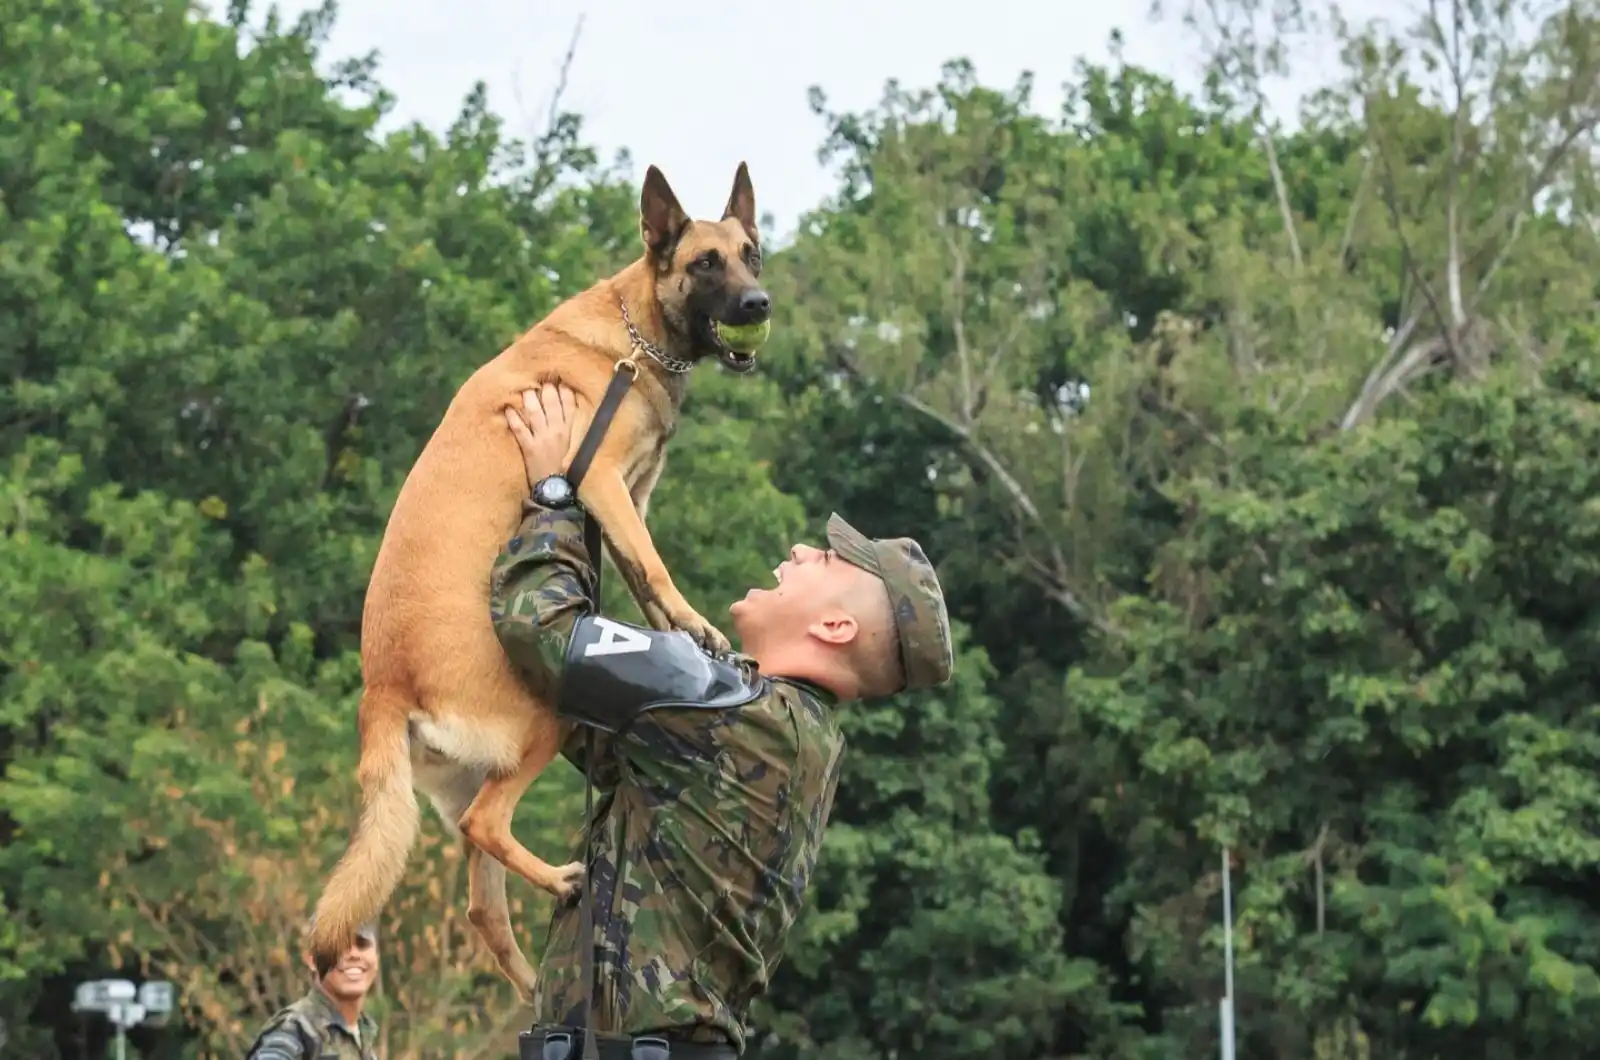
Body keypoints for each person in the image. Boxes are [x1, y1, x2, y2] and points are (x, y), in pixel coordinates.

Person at [491, 384, 954, 1060]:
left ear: (835, 625)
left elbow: (541, 628)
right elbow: (568, 705)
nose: (799, 549)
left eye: (823, 560)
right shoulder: (773, 729)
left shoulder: (728, 705)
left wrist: (556, 495)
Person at [244, 920, 381, 1060]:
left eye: (362, 944)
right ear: (312, 960)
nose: (353, 954)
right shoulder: (296, 1029)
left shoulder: (364, 1034)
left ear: (376, 957)